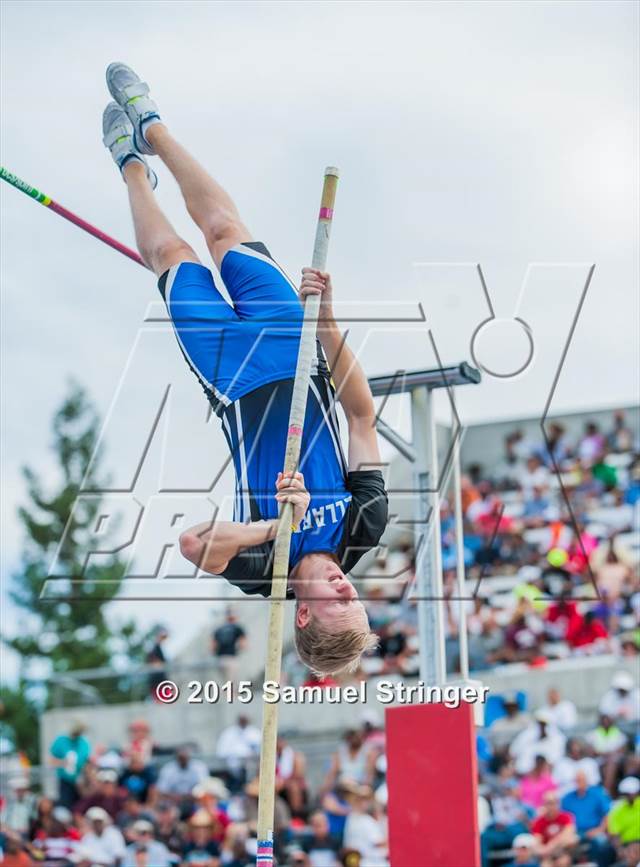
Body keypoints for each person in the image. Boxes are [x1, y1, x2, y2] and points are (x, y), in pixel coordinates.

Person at [102, 62, 388, 676]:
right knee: (225, 230)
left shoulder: (266, 575)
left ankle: (129, 164)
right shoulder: (364, 527)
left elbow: (193, 545)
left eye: (340, 603)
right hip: (296, 349)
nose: (346, 586)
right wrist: (328, 321)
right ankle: (152, 126)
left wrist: (269, 527)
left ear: (303, 615)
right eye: (355, 595)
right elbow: (361, 414)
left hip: (230, 377)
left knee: (169, 256)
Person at [560, 771, 613, 867]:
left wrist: (600, 830)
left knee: (601, 842)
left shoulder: (597, 794)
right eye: (577, 780)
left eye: (582, 780)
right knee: (566, 843)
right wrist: (569, 832)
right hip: (575, 831)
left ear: (587, 781)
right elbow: (563, 817)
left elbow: (607, 814)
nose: (580, 783)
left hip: (594, 830)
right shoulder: (568, 798)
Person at [49, 720, 91, 808]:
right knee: (65, 807)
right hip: (65, 781)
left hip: (79, 782)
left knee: (80, 807)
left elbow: (86, 763)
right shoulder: (61, 741)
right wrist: (64, 763)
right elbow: (52, 760)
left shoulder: (84, 744)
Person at [530, 791, 578, 867]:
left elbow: (567, 834)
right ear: (544, 805)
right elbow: (537, 841)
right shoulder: (538, 822)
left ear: (558, 804)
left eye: (553, 803)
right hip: (548, 856)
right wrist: (544, 850)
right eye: (548, 803)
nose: (551, 806)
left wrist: (549, 846)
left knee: (571, 840)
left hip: (563, 851)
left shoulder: (566, 817)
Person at [215, 715, 261, 792]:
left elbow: (260, 750)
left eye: (245, 720)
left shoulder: (255, 733)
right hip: (232, 767)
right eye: (242, 720)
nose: (243, 721)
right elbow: (221, 752)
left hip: (251, 766)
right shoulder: (229, 733)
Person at [607, 776, 640, 863]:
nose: (630, 796)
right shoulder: (617, 808)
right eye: (626, 794)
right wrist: (620, 850)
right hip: (626, 845)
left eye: (631, 793)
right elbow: (614, 834)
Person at [211, 609, 246, 683]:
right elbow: (243, 644)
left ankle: (227, 694)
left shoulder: (219, 629)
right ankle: (232, 694)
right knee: (232, 682)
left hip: (220, 659)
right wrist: (239, 650)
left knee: (225, 682)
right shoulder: (237, 628)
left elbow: (213, 647)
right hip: (231, 658)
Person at [146, 625, 169, 699]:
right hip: (158, 684)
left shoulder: (157, 649)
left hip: (161, 683)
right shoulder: (154, 650)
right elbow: (156, 664)